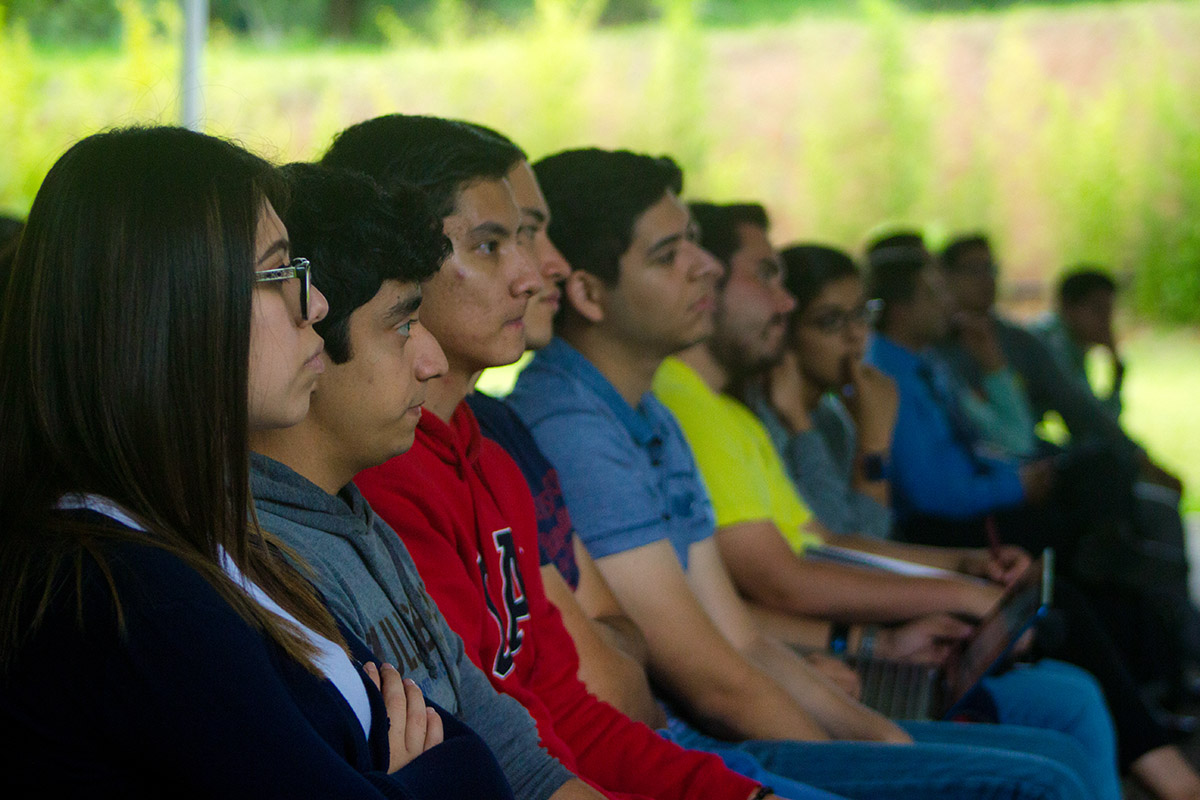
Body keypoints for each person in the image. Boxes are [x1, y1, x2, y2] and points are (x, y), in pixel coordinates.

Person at [510, 146, 1104, 800]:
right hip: (695, 752)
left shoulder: (648, 412)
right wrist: (874, 751)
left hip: (731, 728)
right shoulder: (573, 425)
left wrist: (884, 740)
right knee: (1044, 775)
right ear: (589, 293)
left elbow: (739, 635)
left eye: (696, 246)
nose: (704, 267)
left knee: (1053, 752)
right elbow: (718, 679)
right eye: (669, 253)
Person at [0, 126, 512, 798]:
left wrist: (421, 774)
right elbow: (465, 762)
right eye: (279, 274)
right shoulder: (126, 596)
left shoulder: (209, 540)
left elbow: (464, 741)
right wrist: (443, 775)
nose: (317, 305)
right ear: (177, 306)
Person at [325, 114, 790, 800]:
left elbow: (571, 704)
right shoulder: (385, 472)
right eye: (491, 245)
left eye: (528, 236)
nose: (539, 272)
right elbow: (508, 739)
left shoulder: (491, 456)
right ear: (400, 261)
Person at [781, 239, 1198, 800]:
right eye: (834, 320)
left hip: (919, 558)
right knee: (1060, 598)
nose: (857, 335)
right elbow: (854, 539)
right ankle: (1165, 761)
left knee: (1092, 528)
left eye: (862, 316)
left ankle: (1110, 562)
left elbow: (996, 441)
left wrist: (964, 563)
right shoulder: (859, 392)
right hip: (924, 540)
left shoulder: (877, 387)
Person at [249, 162, 593, 800]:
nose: (430, 362)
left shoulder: (353, 516)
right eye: (403, 325)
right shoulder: (271, 561)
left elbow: (517, 757)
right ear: (309, 340)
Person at [1033, 267, 1125, 420]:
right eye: (1098, 310)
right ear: (1067, 307)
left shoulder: (1069, 344)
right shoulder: (1055, 345)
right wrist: (1117, 370)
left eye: (1109, 312)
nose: (1106, 321)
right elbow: (1093, 421)